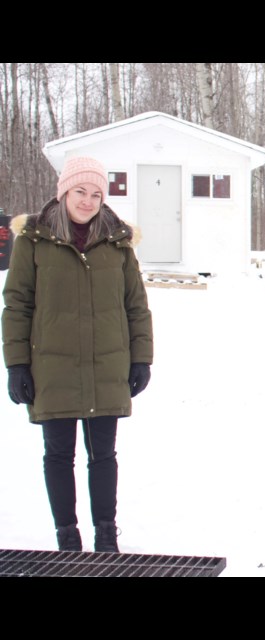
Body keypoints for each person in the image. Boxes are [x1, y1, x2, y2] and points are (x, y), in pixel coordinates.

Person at [3, 156, 154, 553]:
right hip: (51, 368)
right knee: (58, 455)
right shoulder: (33, 241)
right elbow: (16, 304)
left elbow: (135, 305)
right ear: (64, 192)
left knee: (103, 455)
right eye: (80, 192)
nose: (88, 201)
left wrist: (142, 358)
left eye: (96, 194)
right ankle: (67, 538)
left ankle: (106, 537)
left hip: (107, 365)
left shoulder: (118, 244)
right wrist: (17, 363)